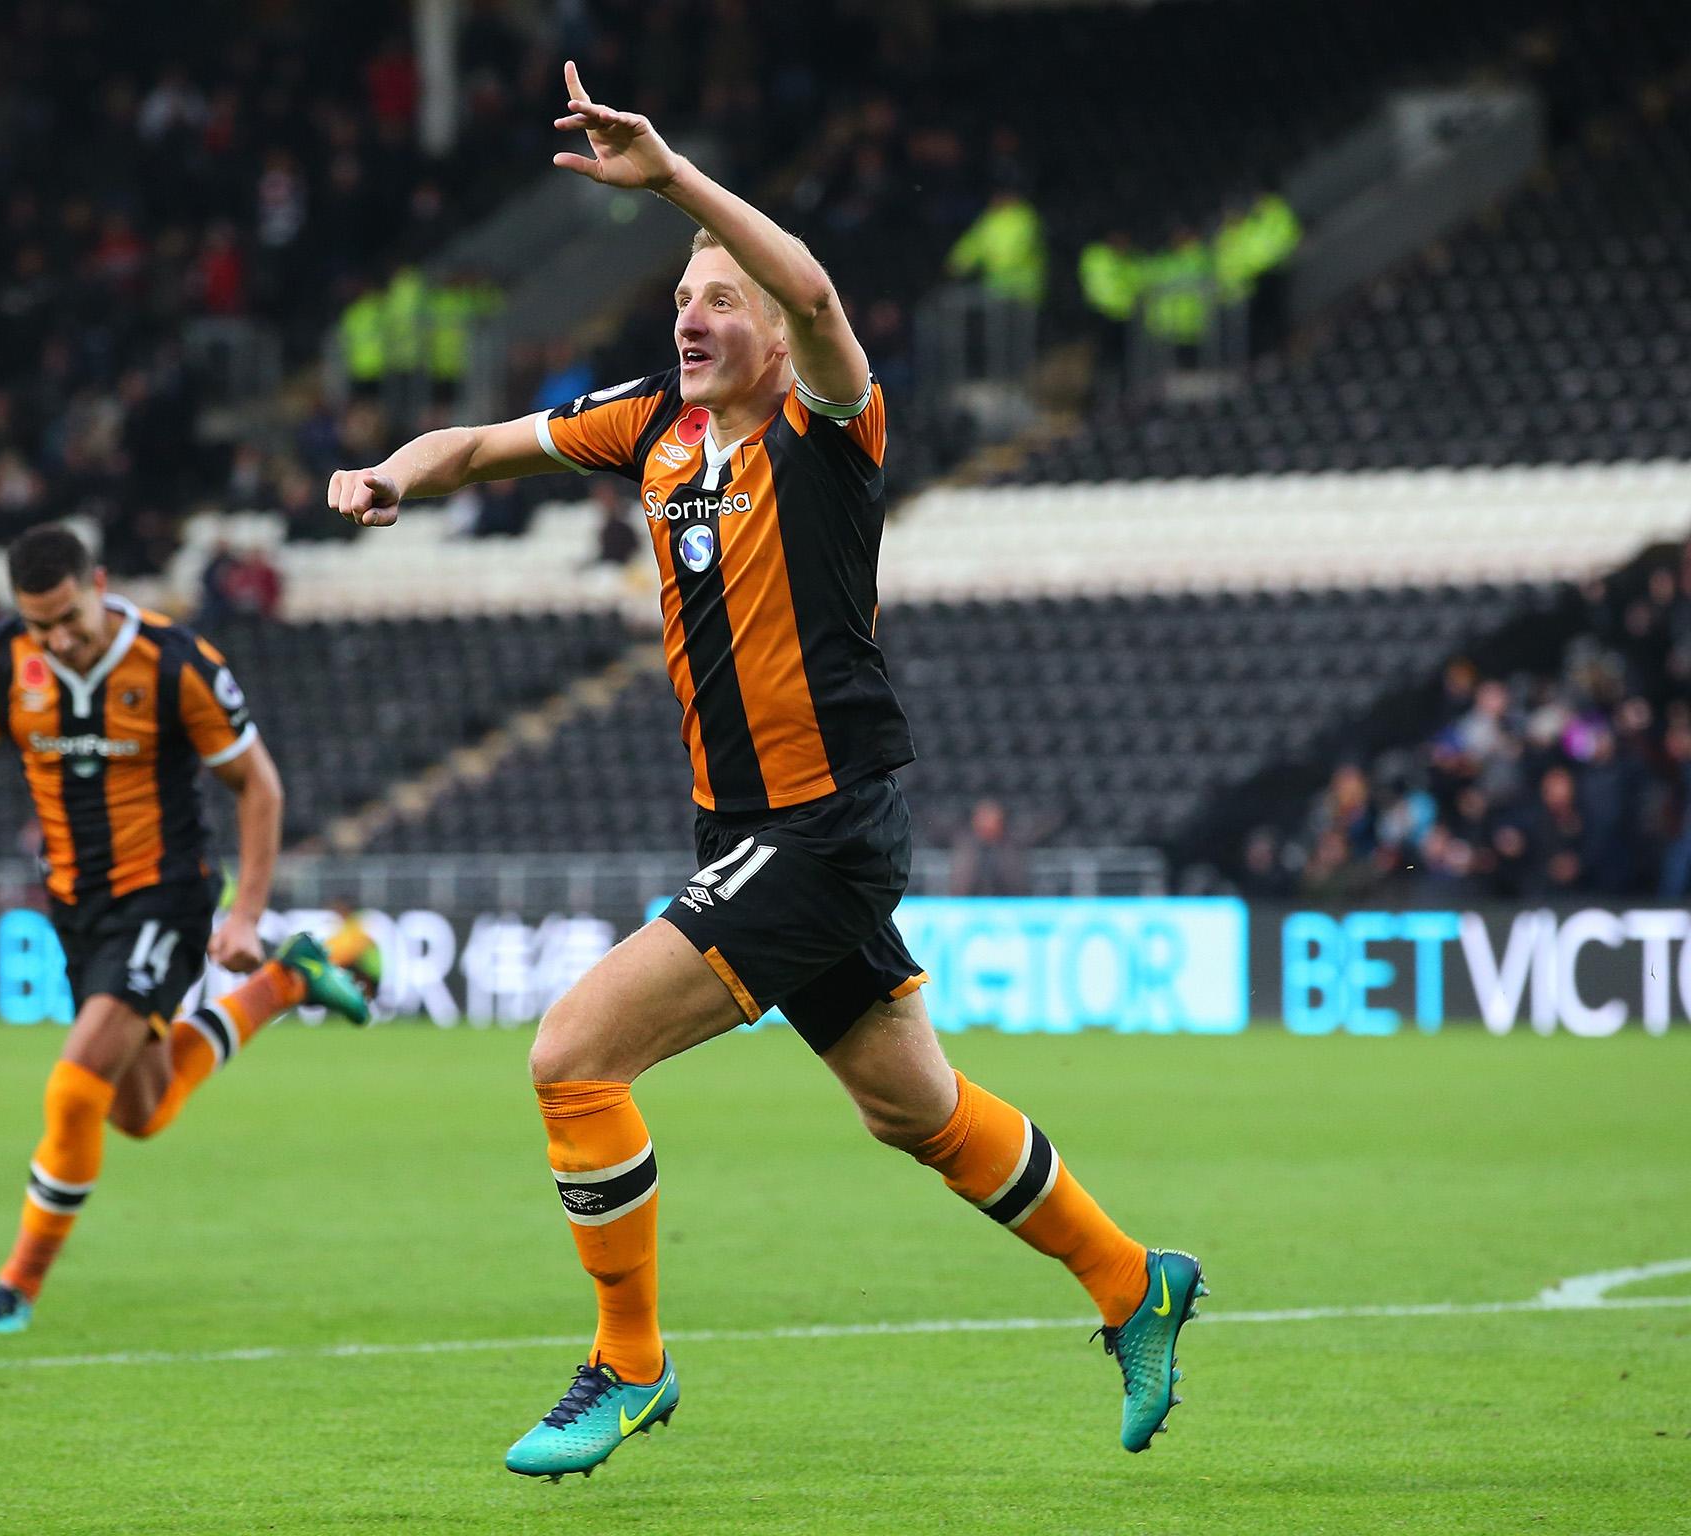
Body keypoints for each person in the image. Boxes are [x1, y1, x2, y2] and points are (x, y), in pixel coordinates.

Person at [328, 62, 1204, 1481]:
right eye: (683, 293)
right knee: (911, 1109)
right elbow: (484, 444)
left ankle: (629, 1363)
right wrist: (388, 474)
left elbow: (819, 299)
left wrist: (675, 177)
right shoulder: (657, 434)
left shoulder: (826, 428)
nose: (695, 310)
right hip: (756, 834)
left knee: (570, 1061)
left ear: (776, 330)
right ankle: (1131, 1281)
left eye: (720, 295)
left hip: (821, 830)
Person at [0, 524, 371, 1336]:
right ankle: (289, 980)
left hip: (166, 896)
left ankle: (17, 1282)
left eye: (69, 617)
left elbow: (257, 785)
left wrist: (244, 913)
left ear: (99, 583)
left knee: (72, 1086)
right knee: (139, 1109)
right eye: (40, 625)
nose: (58, 640)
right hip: (77, 908)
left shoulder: (175, 663)